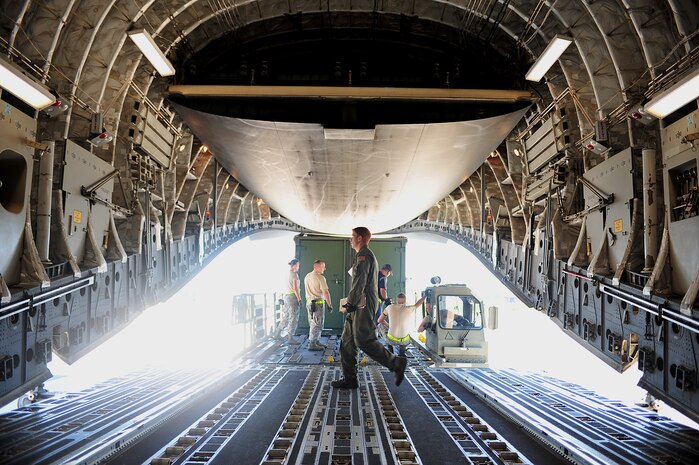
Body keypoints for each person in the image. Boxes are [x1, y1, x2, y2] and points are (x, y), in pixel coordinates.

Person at [332, 227, 408, 389]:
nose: (350, 240)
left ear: (360, 238)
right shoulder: (362, 255)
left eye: (352, 236)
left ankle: (396, 363)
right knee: (347, 342)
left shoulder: (364, 255)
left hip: (363, 304)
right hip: (358, 303)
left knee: (363, 340)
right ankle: (350, 379)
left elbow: (360, 280)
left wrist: (351, 303)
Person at [304, 259, 333, 351]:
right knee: (317, 324)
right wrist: (330, 304)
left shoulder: (307, 276)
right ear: (316, 267)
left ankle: (316, 341)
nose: (324, 269)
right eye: (323, 267)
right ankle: (312, 344)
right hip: (317, 304)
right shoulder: (320, 278)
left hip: (309, 303)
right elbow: (326, 292)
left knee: (313, 322)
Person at [275, 258, 301, 344]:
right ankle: (290, 338)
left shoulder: (286, 274)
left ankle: (277, 334)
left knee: (286, 316)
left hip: (286, 297)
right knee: (293, 318)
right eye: (298, 265)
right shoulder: (294, 275)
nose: (298, 267)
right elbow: (295, 288)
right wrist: (299, 299)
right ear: (294, 265)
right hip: (293, 297)